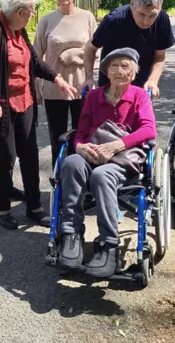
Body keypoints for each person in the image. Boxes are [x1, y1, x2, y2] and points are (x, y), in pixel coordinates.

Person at [0, 0, 77, 230]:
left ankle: (34, 207)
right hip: (0, 107)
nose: (33, 14)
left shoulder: (19, 29)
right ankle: (3, 208)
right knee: (5, 159)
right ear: (20, 11)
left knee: (30, 155)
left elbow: (34, 61)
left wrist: (57, 79)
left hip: (25, 102)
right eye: (32, 10)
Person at [57, 48, 156, 278]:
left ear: (133, 73)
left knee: (101, 175)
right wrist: (80, 146)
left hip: (122, 158)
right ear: (106, 72)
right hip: (92, 152)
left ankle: (108, 244)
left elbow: (149, 130)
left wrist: (117, 145)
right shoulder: (93, 97)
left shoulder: (139, 96)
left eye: (125, 66)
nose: (119, 71)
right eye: (113, 66)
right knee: (71, 163)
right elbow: (81, 133)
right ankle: (71, 235)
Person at [33, 0, 97, 166]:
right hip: (54, 89)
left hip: (82, 87)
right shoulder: (46, 20)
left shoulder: (87, 17)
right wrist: (35, 87)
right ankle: (58, 176)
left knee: (82, 137)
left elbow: (97, 50)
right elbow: (35, 57)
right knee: (57, 138)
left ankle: (80, 174)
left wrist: (72, 54)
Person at [84, 0, 175, 97]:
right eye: (142, 14)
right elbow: (90, 48)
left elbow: (159, 57)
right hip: (112, 85)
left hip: (142, 86)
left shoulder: (162, 20)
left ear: (159, 9)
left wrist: (153, 80)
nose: (146, 21)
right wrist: (89, 78)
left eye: (152, 16)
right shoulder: (114, 20)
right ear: (132, 4)